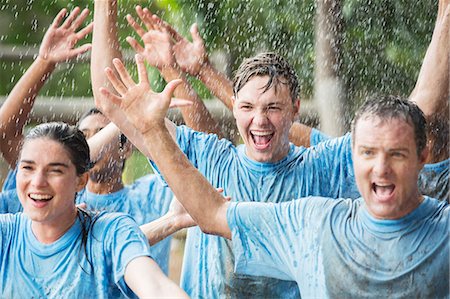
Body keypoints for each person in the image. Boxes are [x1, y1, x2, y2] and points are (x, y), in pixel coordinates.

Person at [99, 3, 449, 297]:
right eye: (248, 108)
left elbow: (421, 108)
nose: (260, 121)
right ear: (234, 108)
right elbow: (108, 98)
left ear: (296, 108)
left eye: (273, 108)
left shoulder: (324, 166)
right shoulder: (210, 156)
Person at [0, 121, 188, 298]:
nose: (38, 182)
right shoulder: (5, 234)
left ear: (81, 180)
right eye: (27, 168)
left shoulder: (113, 231)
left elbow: (156, 287)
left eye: (55, 170)